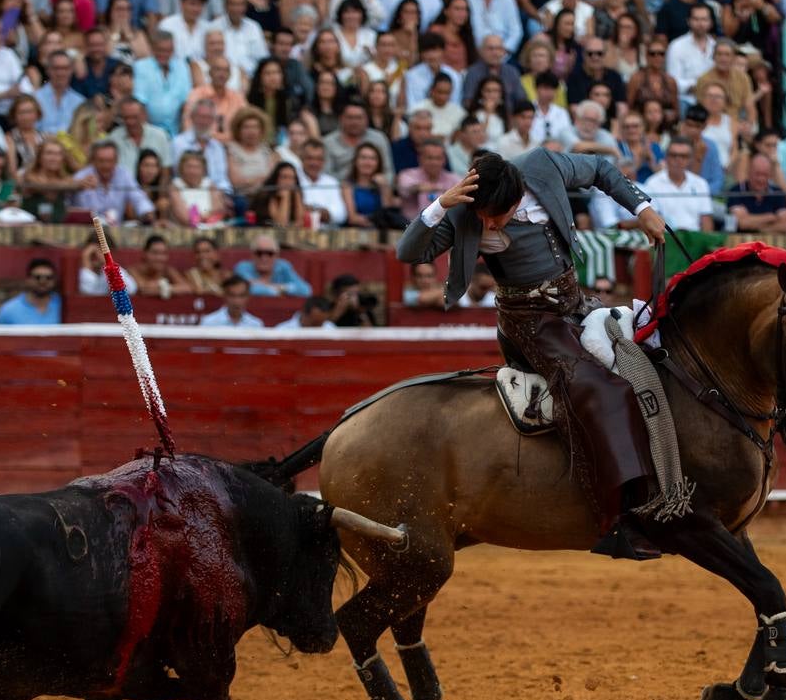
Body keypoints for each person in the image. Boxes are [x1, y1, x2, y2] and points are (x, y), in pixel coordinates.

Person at [397, 149, 668, 559]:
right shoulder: (464, 208)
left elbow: (598, 168)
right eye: (484, 217)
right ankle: (617, 517)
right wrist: (441, 204)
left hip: (576, 307)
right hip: (530, 325)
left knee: (651, 356)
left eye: (497, 216)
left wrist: (642, 206)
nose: (488, 224)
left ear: (519, 195)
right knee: (598, 391)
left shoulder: (541, 166)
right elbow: (409, 253)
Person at [74, 139, 156, 224]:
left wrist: (147, 213)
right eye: (101, 161)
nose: (106, 165)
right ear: (94, 160)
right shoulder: (82, 177)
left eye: (109, 161)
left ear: (116, 160)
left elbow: (138, 198)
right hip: (87, 231)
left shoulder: (124, 174)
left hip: (115, 232)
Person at [642, 136, 714, 232]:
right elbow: (651, 220)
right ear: (666, 157)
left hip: (694, 238)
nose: (678, 159)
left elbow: (706, 220)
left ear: (690, 159)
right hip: (665, 238)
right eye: (673, 155)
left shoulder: (700, 183)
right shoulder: (652, 183)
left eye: (683, 156)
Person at [132, 30, 191, 137]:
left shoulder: (182, 67)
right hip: (149, 130)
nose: (164, 54)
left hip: (175, 131)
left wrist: (183, 135)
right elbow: (140, 104)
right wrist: (148, 135)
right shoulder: (141, 67)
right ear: (153, 49)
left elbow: (185, 104)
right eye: (160, 50)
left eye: (168, 51)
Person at [725, 154, 786, 233]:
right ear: (749, 172)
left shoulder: (777, 192)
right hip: (742, 243)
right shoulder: (736, 191)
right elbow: (741, 223)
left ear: (770, 175)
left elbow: (785, 225)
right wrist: (770, 217)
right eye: (757, 174)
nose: (761, 179)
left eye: (765, 175)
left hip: (769, 242)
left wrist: (759, 228)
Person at [665, 3, 715, 102]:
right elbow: (673, 81)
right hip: (686, 100)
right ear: (689, 21)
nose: (700, 24)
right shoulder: (676, 46)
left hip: (713, 99)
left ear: (711, 23)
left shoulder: (716, 46)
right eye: (696, 19)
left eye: (704, 19)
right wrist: (699, 87)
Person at [233, 234, 312, 296]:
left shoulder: (283, 266)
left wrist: (282, 288)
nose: (264, 258)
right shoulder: (243, 267)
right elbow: (246, 290)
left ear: (277, 255)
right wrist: (276, 290)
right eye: (259, 253)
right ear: (252, 255)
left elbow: (306, 290)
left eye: (270, 253)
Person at [298, 137, 348, 227]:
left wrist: (319, 213)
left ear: (324, 161)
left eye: (319, 159)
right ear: (301, 158)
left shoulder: (332, 182)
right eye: (310, 158)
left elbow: (341, 214)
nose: (314, 163)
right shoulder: (293, 178)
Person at [0, 258, 62, 325]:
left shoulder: (63, 306)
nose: (43, 281)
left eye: (48, 277)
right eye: (37, 277)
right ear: (28, 279)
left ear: (54, 280)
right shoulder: (9, 310)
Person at [199, 274, 265, 327]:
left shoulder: (256, 325)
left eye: (241, 296)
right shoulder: (209, 323)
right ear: (225, 296)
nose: (237, 301)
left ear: (248, 297)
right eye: (232, 295)